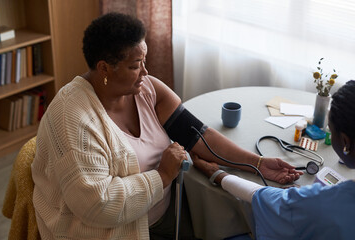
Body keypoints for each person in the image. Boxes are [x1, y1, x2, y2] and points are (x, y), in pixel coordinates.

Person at [31, 12, 302, 240]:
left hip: (162, 213)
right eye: (136, 65)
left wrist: (256, 162)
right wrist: (161, 175)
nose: (146, 73)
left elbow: (199, 136)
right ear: (104, 68)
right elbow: (98, 206)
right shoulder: (75, 121)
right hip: (112, 230)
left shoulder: (147, 90)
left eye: (144, 61)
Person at [192, 80, 355, 240]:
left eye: (331, 132)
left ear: (345, 143)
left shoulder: (323, 203)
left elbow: (261, 197)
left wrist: (217, 173)